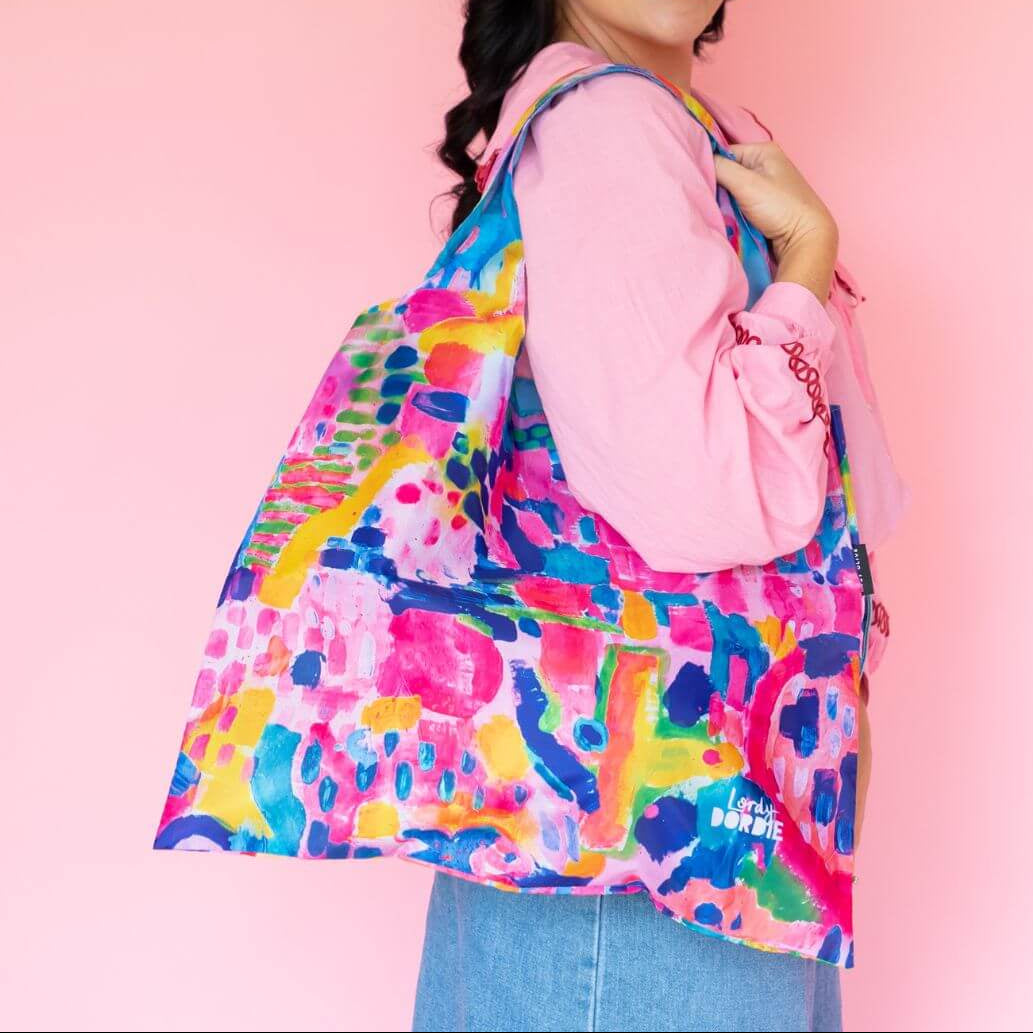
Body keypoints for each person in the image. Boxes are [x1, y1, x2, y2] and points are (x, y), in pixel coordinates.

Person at [412, 2, 909, 1032]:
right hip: (649, 845)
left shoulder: (688, 134)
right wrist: (807, 255)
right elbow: (718, 496)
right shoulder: (606, 125)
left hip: (659, 822)